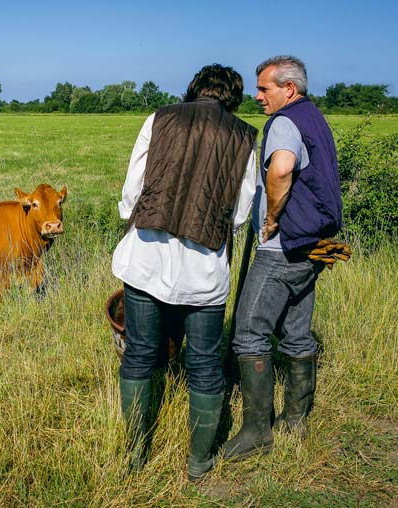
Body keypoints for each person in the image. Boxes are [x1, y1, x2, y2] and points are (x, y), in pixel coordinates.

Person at [112, 64, 258, 481]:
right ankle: (198, 463)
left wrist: (140, 218)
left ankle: (135, 456)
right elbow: (242, 212)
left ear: (194, 89)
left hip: (146, 257)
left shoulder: (160, 117)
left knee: (140, 353)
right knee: (207, 364)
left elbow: (131, 191)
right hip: (205, 267)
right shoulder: (245, 135)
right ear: (233, 97)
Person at [222, 56, 343, 460]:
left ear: (288, 89)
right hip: (311, 246)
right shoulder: (314, 117)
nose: (258, 96)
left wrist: (271, 219)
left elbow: (281, 171)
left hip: (282, 248)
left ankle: (257, 432)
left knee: (249, 333)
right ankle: (295, 421)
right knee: (296, 332)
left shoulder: (285, 123)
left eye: (265, 88)